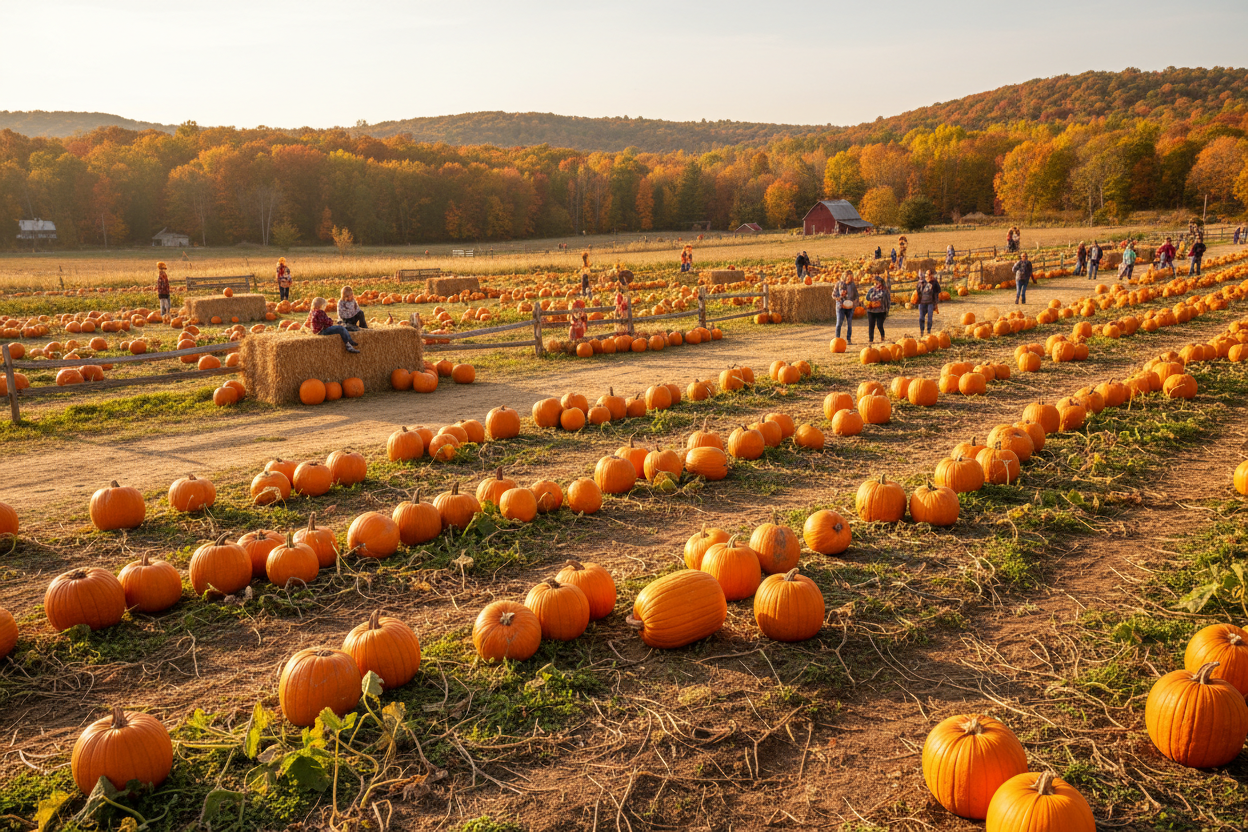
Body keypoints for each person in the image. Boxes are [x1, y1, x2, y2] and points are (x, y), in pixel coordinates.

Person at [832, 272, 858, 344]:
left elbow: (856, 295)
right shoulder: (838, 284)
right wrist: (840, 297)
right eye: (849, 277)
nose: (851, 279)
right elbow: (833, 295)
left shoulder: (852, 285)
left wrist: (854, 303)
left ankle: (849, 339)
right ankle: (837, 339)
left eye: (851, 277)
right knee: (839, 323)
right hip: (840, 307)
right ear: (845, 277)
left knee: (849, 323)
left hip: (850, 307)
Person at [865, 275, 890, 344]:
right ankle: (871, 339)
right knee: (871, 325)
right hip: (871, 310)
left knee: (879, 325)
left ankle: (882, 336)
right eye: (875, 283)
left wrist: (887, 310)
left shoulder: (885, 291)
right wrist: (870, 302)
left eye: (877, 283)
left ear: (881, 283)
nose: (876, 284)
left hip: (881, 311)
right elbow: (867, 298)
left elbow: (888, 301)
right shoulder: (871, 290)